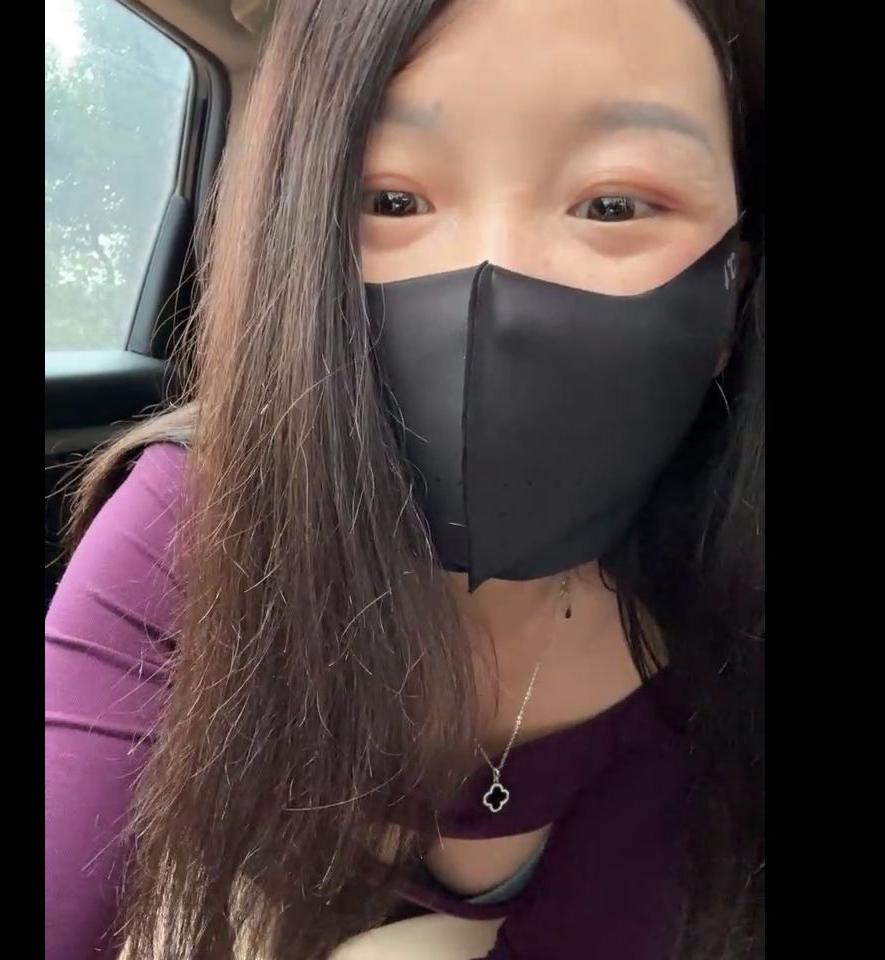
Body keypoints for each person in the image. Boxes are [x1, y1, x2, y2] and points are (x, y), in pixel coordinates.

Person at [44, 1, 765, 957]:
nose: (493, 280)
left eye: (614, 205)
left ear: (733, 292)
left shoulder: (715, 627)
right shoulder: (197, 521)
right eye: (390, 200)